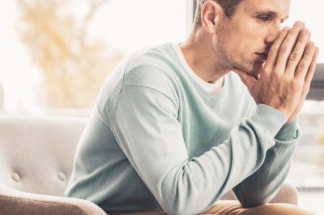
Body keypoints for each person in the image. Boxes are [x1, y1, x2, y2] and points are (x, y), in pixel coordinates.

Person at [65, 0, 319, 214]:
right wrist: (268, 115)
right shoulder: (147, 77)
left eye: (281, 22)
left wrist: (285, 115)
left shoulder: (240, 84)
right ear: (212, 17)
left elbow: (254, 194)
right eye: (263, 18)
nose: (277, 37)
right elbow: (180, 198)